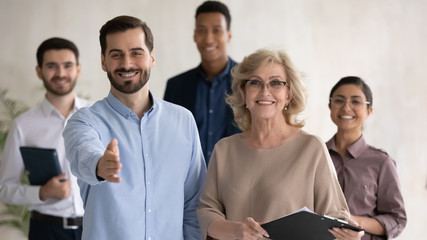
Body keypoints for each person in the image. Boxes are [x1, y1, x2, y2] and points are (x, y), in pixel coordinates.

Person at [62, 15, 207, 240]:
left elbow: (193, 204)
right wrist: (100, 164)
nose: (127, 63)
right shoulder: (84, 121)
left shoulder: (183, 121)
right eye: (116, 54)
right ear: (103, 61)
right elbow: (83, 151)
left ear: (151, 57)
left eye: (136, 53)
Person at [197, 49, 364, 240]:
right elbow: (206, 212)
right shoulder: (224, 150)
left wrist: (348, 233)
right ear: (244, 92)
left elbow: (336, 216)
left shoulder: (312, 149)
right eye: (255, 82)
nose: (265, 91)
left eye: (276, 83)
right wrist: (236, 230)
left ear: (289, 94)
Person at [0, 37, 92, 240]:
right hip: (47, 231)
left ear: (78, 69)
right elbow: (5, 189)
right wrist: (42, 192)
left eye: (67, 65)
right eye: (52, 66)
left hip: (95, 229)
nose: (60, 73)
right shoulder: (23, 125)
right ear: (39, 71)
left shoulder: (98, 115)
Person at [326, 76, 407, 239]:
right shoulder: (316, 155)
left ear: (369, 111)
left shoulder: (381, 162)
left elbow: (396, 219)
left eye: (355, 101)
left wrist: (354, 223)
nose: (346, 108)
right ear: (330, 106)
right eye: (339, 100)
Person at [164, 1, 241, 164]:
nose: (208, 39)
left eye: (216, 30)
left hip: (236, 181)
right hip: (190, 185)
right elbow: (167, 142)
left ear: (229, 35)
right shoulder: (176, 86)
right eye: (201, 30)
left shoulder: (249, 82)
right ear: (194, 35)